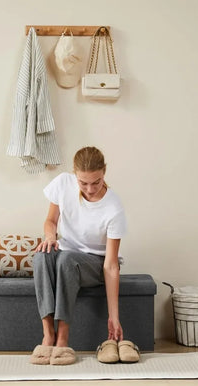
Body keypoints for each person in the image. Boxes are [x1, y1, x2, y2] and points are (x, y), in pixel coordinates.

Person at [30, 146, 127, 365]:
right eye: (83, 183)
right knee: (41, 256)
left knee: (66, 259)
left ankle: (63, 340)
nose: (90, 189)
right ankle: (48, 335)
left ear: (104, 173)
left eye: (96, 182)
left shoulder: (113, 207)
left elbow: (111, 265)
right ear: (75, 174)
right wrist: (49, 237)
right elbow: (51, 221)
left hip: (95, 263)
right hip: (67, 253)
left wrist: (114, 316)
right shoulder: (63, 183)